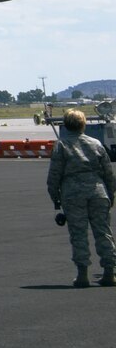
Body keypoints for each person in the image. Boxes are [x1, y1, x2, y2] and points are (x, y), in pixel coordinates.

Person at [46, 108, 116, 287]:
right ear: (83, 124)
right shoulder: (96, 143)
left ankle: (82, 274)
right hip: (98, 192)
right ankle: (110, 272)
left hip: (73, 194)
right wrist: (110, 193)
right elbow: (109, 172)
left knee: (78, 234)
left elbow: (54, 174)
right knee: (103, 232)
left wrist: (55, 196)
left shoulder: (62, 145)